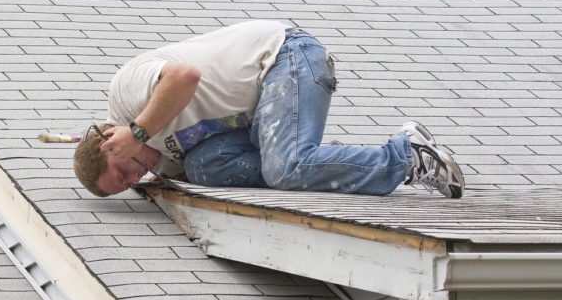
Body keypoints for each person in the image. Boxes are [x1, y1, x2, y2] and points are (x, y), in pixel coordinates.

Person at [74, 20, 464, 199]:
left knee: (285, 168)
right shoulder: (158, 162)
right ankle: (321, 161)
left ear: (111, 142)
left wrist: (137, 132)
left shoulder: (126, 95)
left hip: (285, 59)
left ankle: (407, 155)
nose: (137, 175)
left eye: (124, 171)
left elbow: (184, 76)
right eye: (127, 185)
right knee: (203, 169)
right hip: (264, 111)